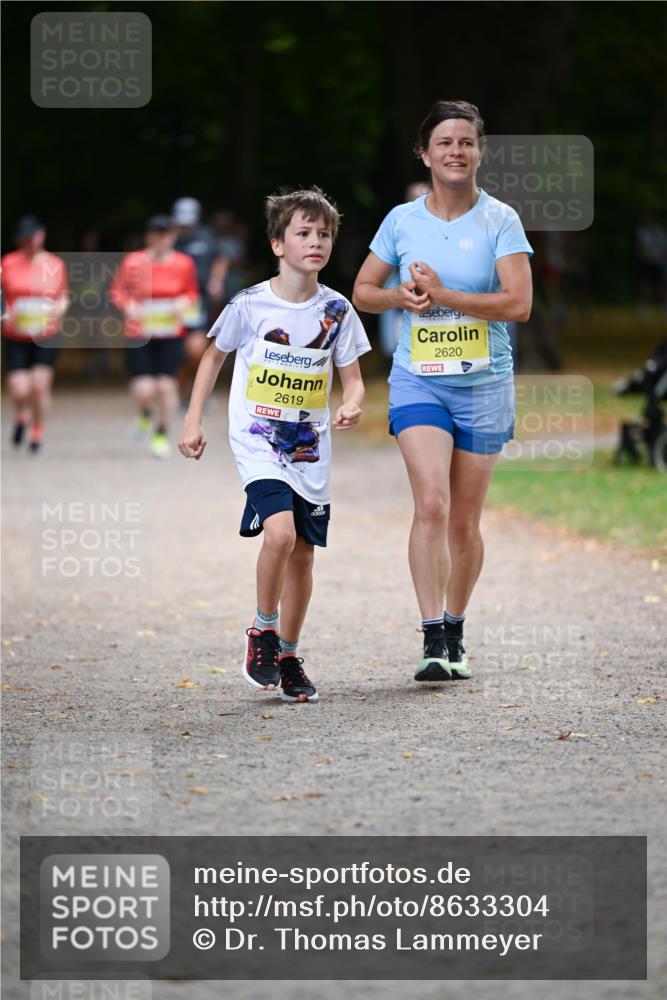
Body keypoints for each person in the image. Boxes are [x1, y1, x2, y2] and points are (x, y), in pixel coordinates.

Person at [353, 100, 533, 683]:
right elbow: (362, 290)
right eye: (445, 142)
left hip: (484, 385)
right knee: (431, 504)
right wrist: (399, 298)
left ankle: (456, 622)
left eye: (466, 142)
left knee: (464, 523)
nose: (456, 151)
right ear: (425, 153)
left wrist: (446, 294)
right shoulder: (402, 220)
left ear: (479, 153)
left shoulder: (500, 219)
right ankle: (432, 636)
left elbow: (518, 305)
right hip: (418, 381)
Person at [179, 187, 370, 703]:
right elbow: (211, 358)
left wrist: (352, 401)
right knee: (280, 536)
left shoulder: (337, 310)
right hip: (257, 440)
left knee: (304, 556)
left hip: (309, 447)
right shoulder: (250, 305)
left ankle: (288, 655)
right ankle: (263, 630)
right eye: (303, 233)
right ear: (277, 245)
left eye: (324, 234)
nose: (315, 242)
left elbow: (352, 377)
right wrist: (193, 419)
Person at [110, 215, 199, 458]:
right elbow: (118, 292)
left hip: (170, 332)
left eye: (166, 234)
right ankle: (145, 413)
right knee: (144, 389)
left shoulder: (183, 263)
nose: (161, 239)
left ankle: (161, 433)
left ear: (173, 236)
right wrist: (128, 305)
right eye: (156, 234)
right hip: (139, 332)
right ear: (149, 236)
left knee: (165, 385)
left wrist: (184, 302)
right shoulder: (133, 261)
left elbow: (191, 292)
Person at [1, 215, 69, 453]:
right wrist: (5, 313)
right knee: (20, 388)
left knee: (40, 385)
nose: (31, 242)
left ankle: (37, 430)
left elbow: (62, 296)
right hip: (16, 334)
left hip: (45, 333)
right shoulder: (8, 262)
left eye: (35, 236)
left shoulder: (55, 264)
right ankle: (21, 414)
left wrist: (58, 310)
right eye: (26, 238)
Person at [171, 197, 229, 402]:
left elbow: (220, 259)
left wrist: (216, 281)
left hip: (198, 300)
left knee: (196, 349)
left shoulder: (206, 237)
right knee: (174, 350)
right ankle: (179, 389)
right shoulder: (169, 238)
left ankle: (193, 389)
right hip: (170, 303)